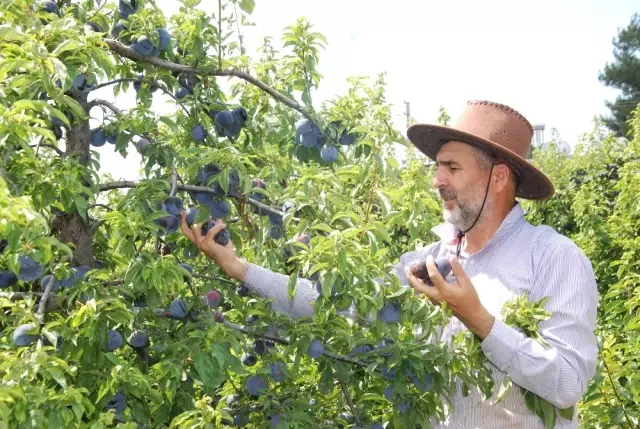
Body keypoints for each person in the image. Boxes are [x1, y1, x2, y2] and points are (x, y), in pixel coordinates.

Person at [180, 100, 599, 428]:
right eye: (437, 167)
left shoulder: (554, 259)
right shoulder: (428, 260)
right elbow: (339, 306)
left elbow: (567, 382)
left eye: (452, 167)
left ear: (500, 177)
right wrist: (240, 268)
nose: (438, 180)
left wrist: (479, 320)